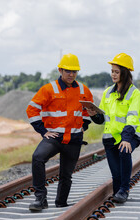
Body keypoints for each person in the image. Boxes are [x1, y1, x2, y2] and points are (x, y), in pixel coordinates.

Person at [26, 53, 95, 211]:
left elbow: (88, 111)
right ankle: (40, 199)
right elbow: (32, 109)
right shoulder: (49, 89)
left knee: (66, 175)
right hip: (54, 137)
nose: (71, 74)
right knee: (37, 158)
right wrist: (43, 131)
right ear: (60, 70)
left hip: (74, 139)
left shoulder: (84, 90)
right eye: (68, 71)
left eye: (74, 71)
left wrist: (85, 125)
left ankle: (61, 204)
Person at [89, 53, 140, 203]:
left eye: (116, 71)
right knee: (116, 175)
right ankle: (119, 191)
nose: (113, 74)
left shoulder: (134, 93)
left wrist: (127, 139)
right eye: (112, 71)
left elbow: (132, 117)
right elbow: (102, 119)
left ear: (125, 73)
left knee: (124, 150)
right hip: (110, 136)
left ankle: (125, 190)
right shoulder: (108, 92)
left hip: (131, 134)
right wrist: (93, 115)